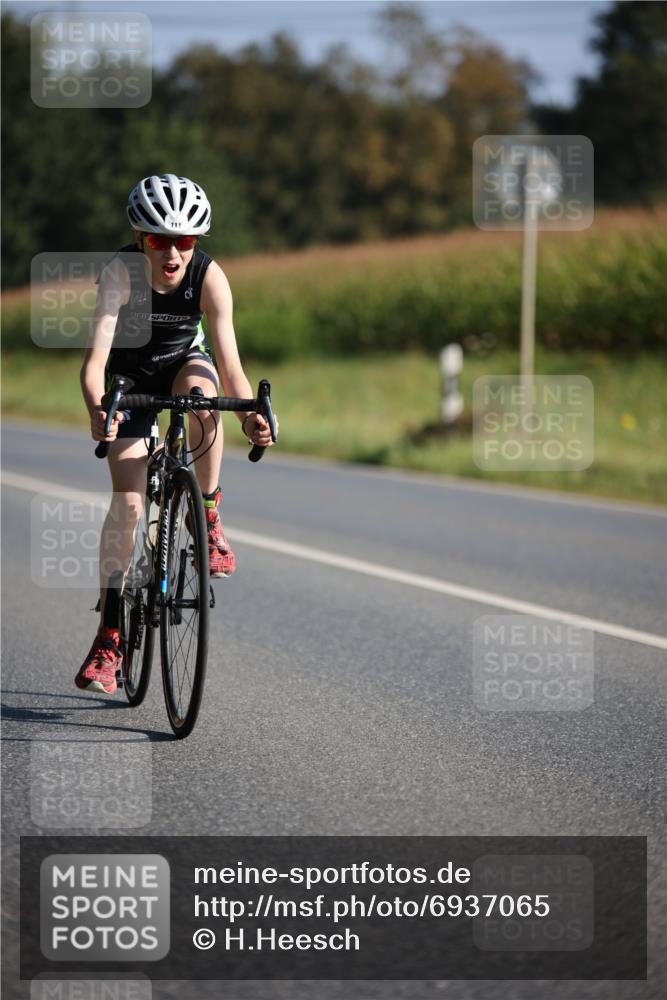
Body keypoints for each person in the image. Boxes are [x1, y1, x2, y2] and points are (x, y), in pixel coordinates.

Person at [75, 173, 275, 695]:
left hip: (185, 364)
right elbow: (94, 362)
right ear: (140, 237)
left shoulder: (210, 277)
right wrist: (99, 408)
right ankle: (109, 636)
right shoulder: (119, 274)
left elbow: (229, 364)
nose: (171, 251)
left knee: (203, 399)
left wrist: (248, 414)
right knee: (129, 503)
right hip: (130, 378)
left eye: (184, 240)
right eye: (158, 239)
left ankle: (208, 517)